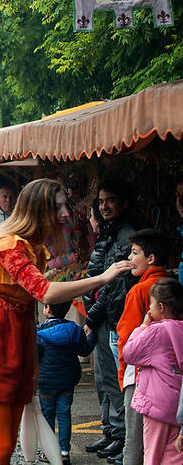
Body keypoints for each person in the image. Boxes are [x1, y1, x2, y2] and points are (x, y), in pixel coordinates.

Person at [0, 178, 132, 465]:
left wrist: (33, 367)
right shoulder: (9, 243)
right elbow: (44, 293)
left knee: (7, 443)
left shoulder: (30, 246)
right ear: (41, 209)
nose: (66, 213)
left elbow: (27, 311)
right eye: (60, 207)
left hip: (14, 337)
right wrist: (101, 277)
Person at [82, 180, 136, 460]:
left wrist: (92, 315)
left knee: (116, 382)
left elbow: (115, 288)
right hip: (104, 317)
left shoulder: (127, 236)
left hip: (114, 318)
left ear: (124, 203)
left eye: (110, 200)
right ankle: (109, 431)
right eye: (101, 202)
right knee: (103, 379)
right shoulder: (107, 233)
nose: (104, 206)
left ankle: (119, 434)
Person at [113, 229, 172, 465]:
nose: (130, 258)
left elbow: (125, 340)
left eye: (135, 252)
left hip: (139, 379)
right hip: (171, 379)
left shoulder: (139, 290)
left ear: (151, 259)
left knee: (135, 444)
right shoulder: (173, 286)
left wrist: (121, 375)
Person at [123, 279, 183, 465]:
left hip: (157, 406)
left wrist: (143, 326)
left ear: (162, 307)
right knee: (175, 456)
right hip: (179, 405)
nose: (149, 308)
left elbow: (129, 353)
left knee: (152, 456)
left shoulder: (157, 331)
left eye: (151, 303)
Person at [37, 300, 96, 465]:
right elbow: (84, 350)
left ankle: (49, 452)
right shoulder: (75, 330)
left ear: (48, 309)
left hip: (47, 381)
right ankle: (64, 451)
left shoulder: (40, 332)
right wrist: (92, 335)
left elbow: (35, 357)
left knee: (47, 415)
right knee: (64, 414)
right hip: (68, 380)